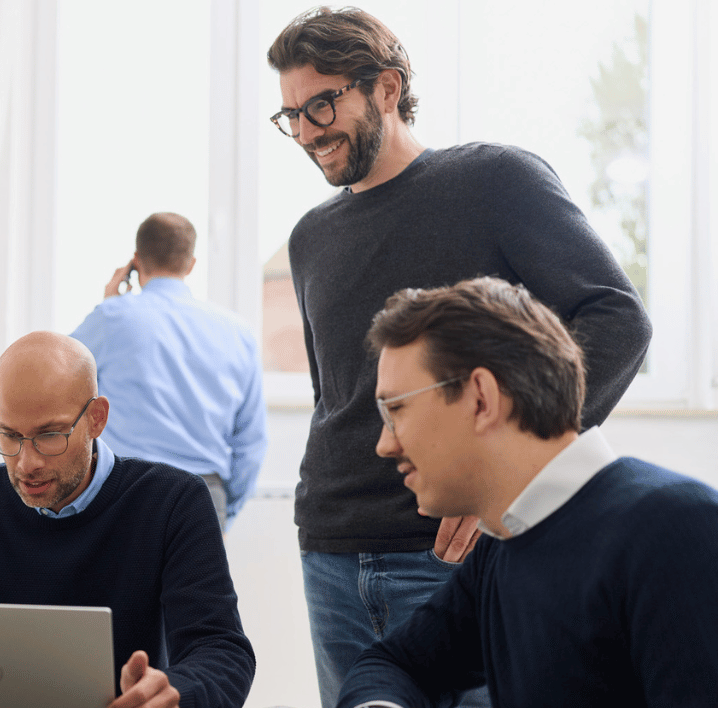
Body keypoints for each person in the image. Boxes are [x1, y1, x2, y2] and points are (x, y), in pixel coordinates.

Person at [265, 7, 653, 707]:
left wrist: (511, 468)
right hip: (329, 550)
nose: (307, 130)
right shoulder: (308, 239)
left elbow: (616, 318)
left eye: (323, 102)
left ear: (387, 86)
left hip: (459, 553)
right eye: (291, 114)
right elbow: (342, 396)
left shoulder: (495, 181)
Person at [334, 276, 718, 707]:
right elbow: (396, 663)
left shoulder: (675, 529)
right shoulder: (504, 545)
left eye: (396, 409)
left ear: (481, 398)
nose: (385, 445)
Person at [0, 331, 255, 708]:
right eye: (10, 435)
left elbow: (222, 652)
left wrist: (176, 689)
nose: (27, 463)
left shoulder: (173, 502)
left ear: (96, 419)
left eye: (50, 435)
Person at [71, 212, 267, 530]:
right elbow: (251, 440)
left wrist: (109, 305)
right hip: (204, 496)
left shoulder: (110, 318)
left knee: (119, 581)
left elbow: (57, 377)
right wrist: (223, 509)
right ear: (191, 264)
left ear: (136, 261)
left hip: (126, 489)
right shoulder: (237, 332)